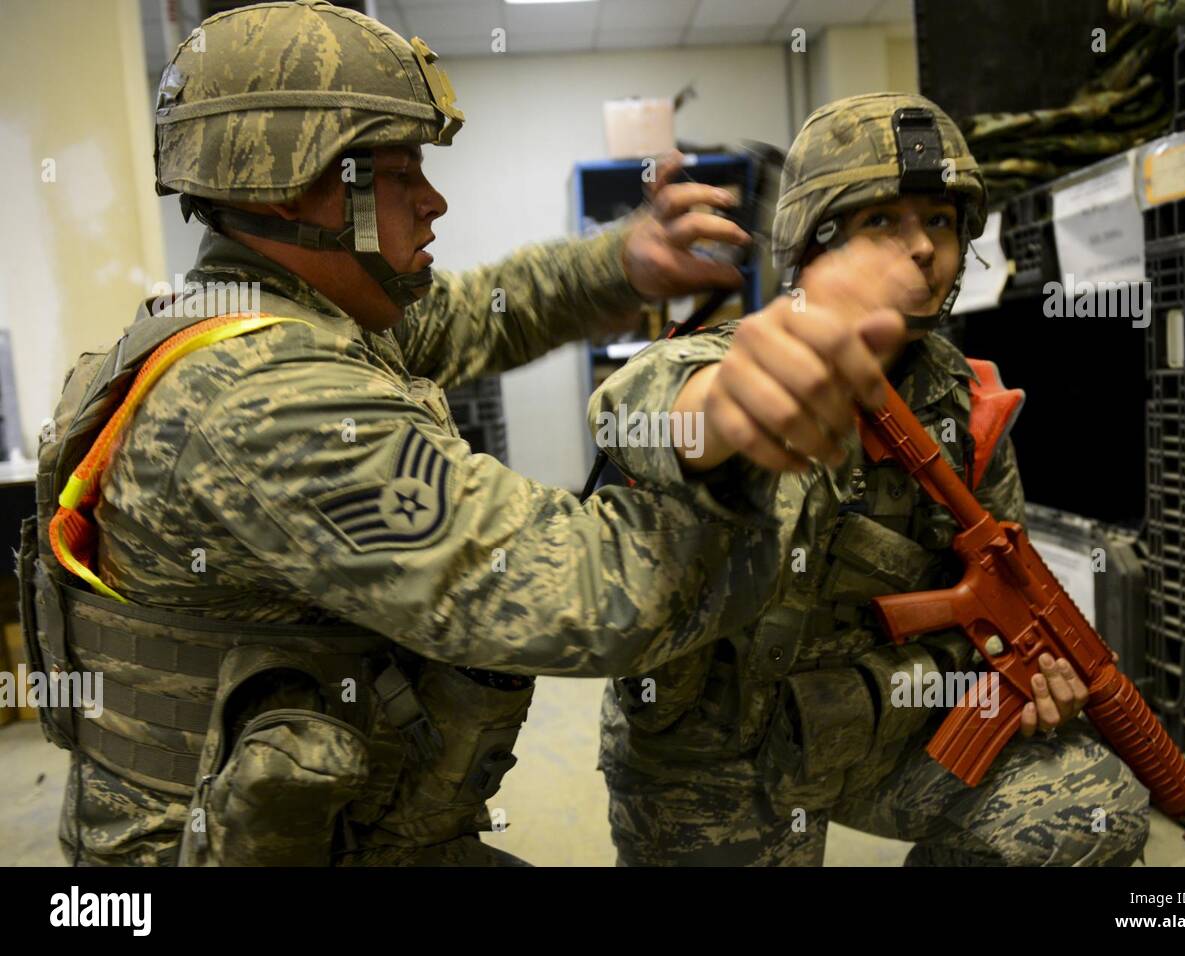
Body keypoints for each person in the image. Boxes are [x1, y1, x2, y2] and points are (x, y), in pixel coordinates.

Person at [19, 2, 911, 867]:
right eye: (400, 172)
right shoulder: (269, 403)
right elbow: (596, 596)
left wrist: (622, 260)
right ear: (295, 185)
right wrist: (731, 444)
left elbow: (483, 312)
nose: (434, 199)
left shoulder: (268, 310)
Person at [589, 92, 1151, 866]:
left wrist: (1021, 681)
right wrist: (734, 407)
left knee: (1090, 806)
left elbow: (1001, 587)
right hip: (716, 764)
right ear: (815, 244)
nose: (922, 249)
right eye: (882, 221)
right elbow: (634, 409)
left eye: (941, 222)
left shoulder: (969, 404)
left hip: (881, 731)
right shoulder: (729, 366)